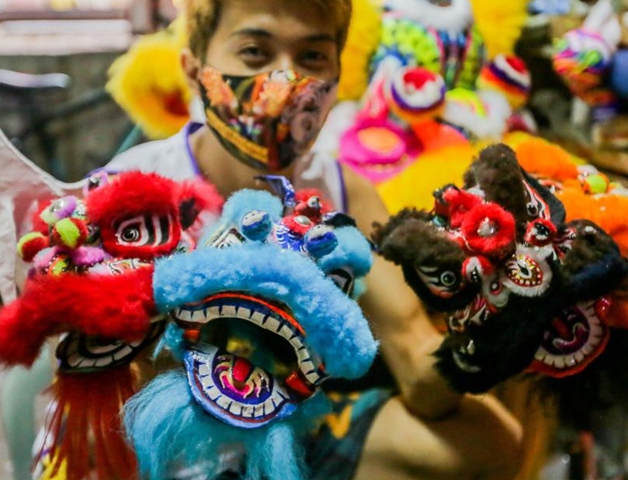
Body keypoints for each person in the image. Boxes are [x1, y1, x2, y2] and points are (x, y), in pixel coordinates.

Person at [106, 1, 523, 479]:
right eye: (254, 51)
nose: (286, 81)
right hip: (154, 451)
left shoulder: (345, 194)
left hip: (290, 442)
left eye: (312, 57)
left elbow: (417, 361)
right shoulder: (131, 188)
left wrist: (503, 316)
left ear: (339, 75)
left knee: (490, 438)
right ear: (193, 67)